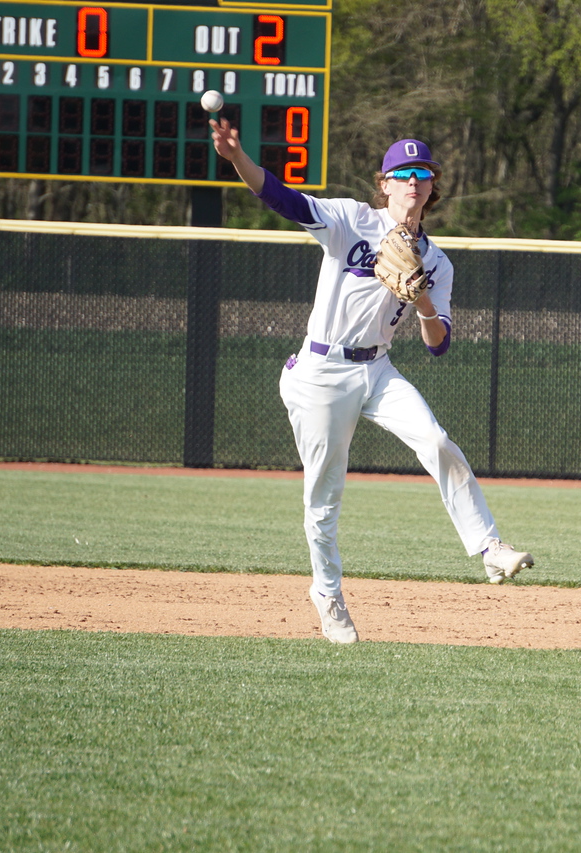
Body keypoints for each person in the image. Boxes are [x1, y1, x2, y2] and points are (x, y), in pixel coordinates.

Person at [210, 123, 534, 643]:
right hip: (321, 372)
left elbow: (439, 344)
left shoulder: (438, 262)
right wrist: (237, 158)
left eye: (422, 174)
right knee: (324, 497)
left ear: (433, 187)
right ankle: (328, 593)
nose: (413, 181)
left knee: (435, 439)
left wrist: (422, 298)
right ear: (384, 184)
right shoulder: (351, 220)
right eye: (402, 174)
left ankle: (489, 548)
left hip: (377, 367)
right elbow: (281, 198)